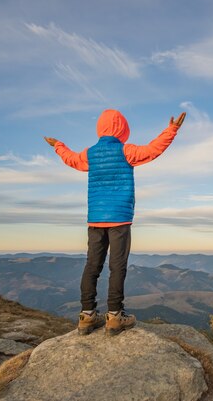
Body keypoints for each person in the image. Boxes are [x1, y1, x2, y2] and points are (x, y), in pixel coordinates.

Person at [44, 109, 185, 336]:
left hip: (96, 219)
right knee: (117, 267)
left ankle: (87, 316)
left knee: (92, 266)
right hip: (119, 219)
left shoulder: (91, 154)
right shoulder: (126, 151)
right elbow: (153, 150)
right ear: (123, 128)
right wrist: (172, 129)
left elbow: (71, 159)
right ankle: (114, 317)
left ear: (100, 128)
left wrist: (57, 145)